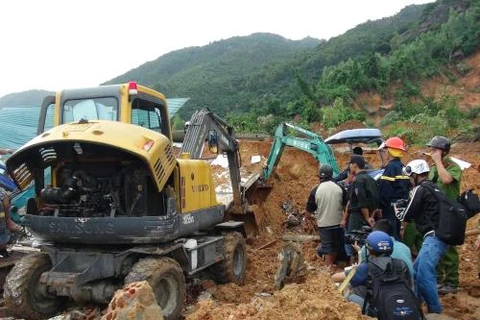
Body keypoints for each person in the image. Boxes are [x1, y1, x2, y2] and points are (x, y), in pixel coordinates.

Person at [395, 159, 448, 314]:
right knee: (416, 271)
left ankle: (435, 311)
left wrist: (400, 218)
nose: (410, 180)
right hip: (438, 236)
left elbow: (408, 213)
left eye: (410, 177)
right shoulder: (434, 188)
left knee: (424, 272)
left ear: (416, 175)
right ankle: (415, 304)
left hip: (434, 236)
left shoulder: (420, 189)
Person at [331, 231, 412, 309]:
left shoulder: (367, 267)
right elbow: (409, 284)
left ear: (369, 250)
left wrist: (354, 269)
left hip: (379, 309)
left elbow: (335, 278)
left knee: (350, 291)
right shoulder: (401, 264)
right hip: (402, 303)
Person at [426, 136, 461, 295]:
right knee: (436, 245)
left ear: (443, 152)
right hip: (436, 212)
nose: (431, 152)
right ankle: (439, 278)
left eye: (435, 150)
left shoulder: (454, 167)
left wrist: (439, 161)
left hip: (451, 213)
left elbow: (446, 180)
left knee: (449, 248)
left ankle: (452, 281)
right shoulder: (433, 168)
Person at [306, 164, 347, 269]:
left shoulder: (316, 190)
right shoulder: (340, 188)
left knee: (327, 247)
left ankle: (328, 270)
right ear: (331, 174)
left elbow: (309, 209)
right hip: (338, 223)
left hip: (324, 225)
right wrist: (344, 218)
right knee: (337, 246)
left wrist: (307, 219)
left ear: (320, 175)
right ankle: (335, 265)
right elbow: (346, 205)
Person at [340, 155, 379, 264]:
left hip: (357, 216)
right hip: (370, 216)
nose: (349, 167)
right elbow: (376, 201)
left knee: (355, 243)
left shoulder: (358, 180)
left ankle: (355, 268)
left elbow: (361, 201)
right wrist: (371, 216)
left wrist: (366, 217)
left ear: (354, 165)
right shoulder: (371, 179)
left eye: (350, 164)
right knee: (367, 242)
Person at [377, 137, 410, 240]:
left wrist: (381, 207)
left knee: (391, 235)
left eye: (386, 150)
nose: (385, 152)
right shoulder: (403, 167)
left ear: (390, 151)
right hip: (402, 208)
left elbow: (385, 190)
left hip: (390, 209)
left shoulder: (390, 168)